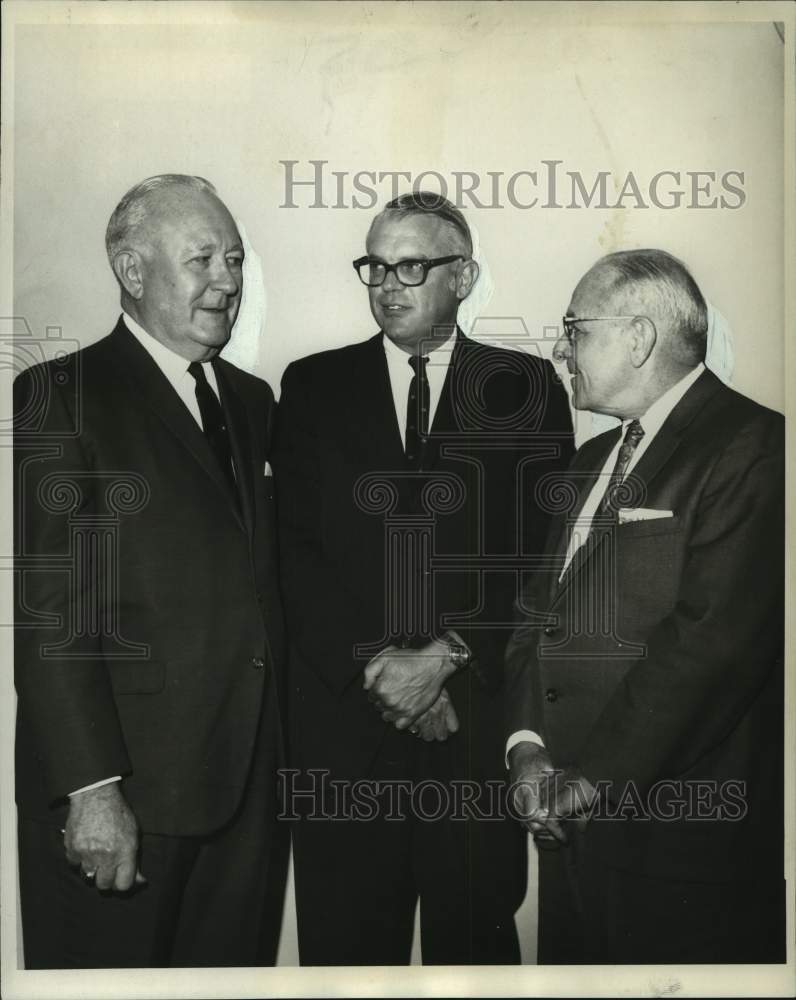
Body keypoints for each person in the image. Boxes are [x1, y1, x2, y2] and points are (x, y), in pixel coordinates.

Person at [273, 192, 574, 965]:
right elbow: (293, 553)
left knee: (474, 955)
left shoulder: (528, 387)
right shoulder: (310, 386)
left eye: (411, 265)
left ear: (464, 275)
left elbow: (539, 554)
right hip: (345, 731)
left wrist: (444, 656)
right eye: (375, 265)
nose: (387, 283)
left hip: (472, 732)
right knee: (343, 960)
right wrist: (386, 673)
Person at [13, 174, 288, 968]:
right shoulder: (60, 395)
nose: (228, 281)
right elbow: (54, 613)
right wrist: (93, 791)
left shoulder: (252, 399)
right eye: (202, 258)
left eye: (234, 259)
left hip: (245, 794)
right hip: (125, 800)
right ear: (133, 273)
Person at [505, 249, 785, 964]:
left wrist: (590, 782)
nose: (561, 348)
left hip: (679, 851)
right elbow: (535, 618)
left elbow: (712, 647)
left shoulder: (754, 446)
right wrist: (527, 749)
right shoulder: (585, 461)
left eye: (575, 328)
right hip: (565, 840)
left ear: (637, 337)